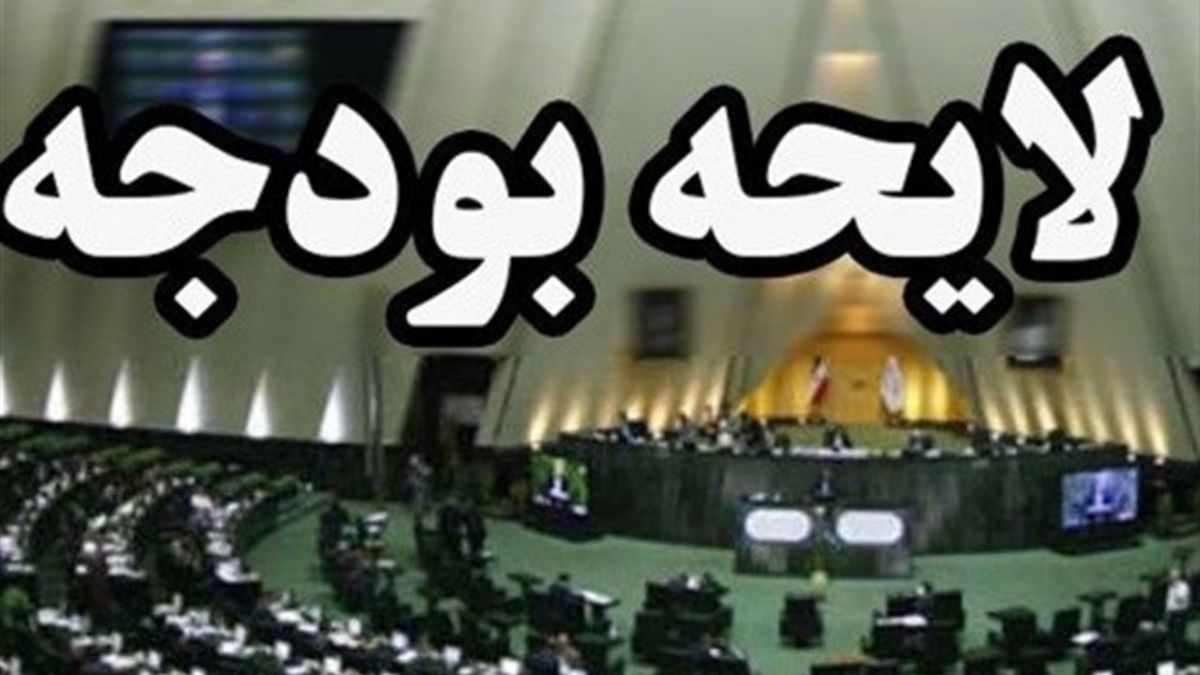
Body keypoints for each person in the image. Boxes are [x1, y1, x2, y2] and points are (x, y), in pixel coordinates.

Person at [1165, 566, 1192, 654]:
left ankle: (1179, 652)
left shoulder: (1183, 587)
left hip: (1180, 614)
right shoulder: (1170, 587)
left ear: (1176, 578)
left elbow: (1181, 599)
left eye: (1171, 577)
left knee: (1178, 634)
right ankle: (1172, 651)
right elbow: (1169, 601)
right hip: (1171, 614)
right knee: (1170, 634)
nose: (1169, 579)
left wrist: (1175, 588)